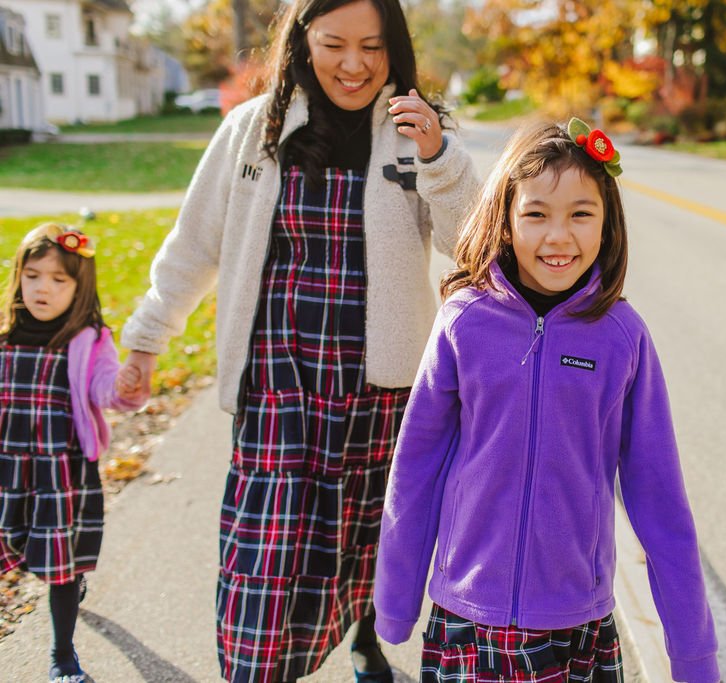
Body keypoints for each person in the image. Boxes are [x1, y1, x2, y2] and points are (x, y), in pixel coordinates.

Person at [116, 0, 478, 680]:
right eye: (334, 43)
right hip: (277, 387)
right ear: (301, 41)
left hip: (379, 389)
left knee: (364, 537)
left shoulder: (416, 133)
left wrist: (439, 157)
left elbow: (472, 247)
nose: (353, 64)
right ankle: (256, 667)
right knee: (264, 556)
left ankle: (368, 634)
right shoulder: (254, 130)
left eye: (372, 46)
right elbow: (194, 245)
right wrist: (146, 342)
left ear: (394, 48)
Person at [373, 119, 720, 683]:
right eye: (536, 214)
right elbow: (416, 467)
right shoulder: (464, 322)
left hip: (576, 623)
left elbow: (660, 499)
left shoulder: (622, 337)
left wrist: (693, 651)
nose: (558, 236)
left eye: (581, 214)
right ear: (505, 221)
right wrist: (396, 598)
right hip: (468, 616)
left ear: (608, 226)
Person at [0, 223, 146, 683]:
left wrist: (123, 387)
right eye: (33, 276)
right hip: (7, 470)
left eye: (59, 280)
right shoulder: (5, 335)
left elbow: (106, 388)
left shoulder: (88, 337)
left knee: (60, 566)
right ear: (19, 277)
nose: (43, 288)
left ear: (79, 287)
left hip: (60, 471)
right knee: (13, 544)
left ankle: (62, 656)